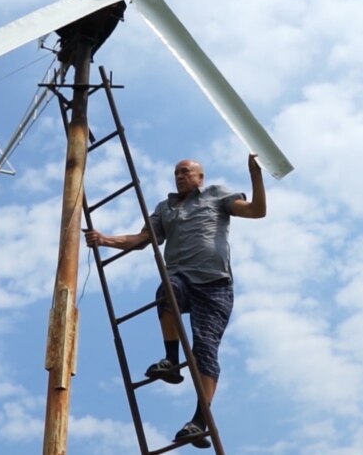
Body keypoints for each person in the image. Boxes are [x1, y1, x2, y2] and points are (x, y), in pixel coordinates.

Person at [85, 154, 267, 448]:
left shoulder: (216, 194)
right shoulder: (165, 207)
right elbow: (143, 239)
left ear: (200, 177)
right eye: (176, 173)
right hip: (181, 277)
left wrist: (255, 175)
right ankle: (170, 360)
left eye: (186, 172)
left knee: (205, 349)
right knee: (167, 290)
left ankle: (199, 422)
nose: (180, 176)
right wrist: (105, 240)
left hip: (215, 285)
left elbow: (257, 211)